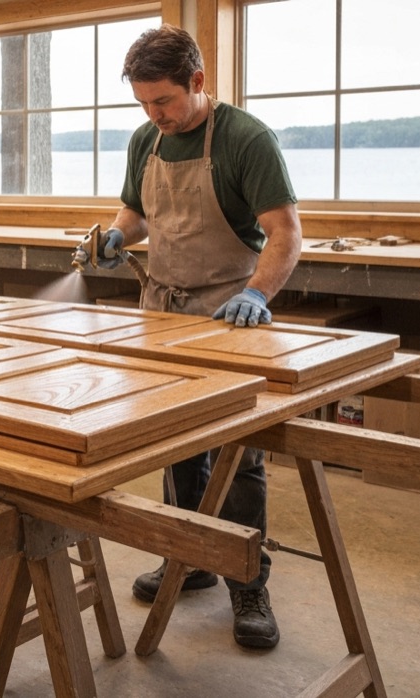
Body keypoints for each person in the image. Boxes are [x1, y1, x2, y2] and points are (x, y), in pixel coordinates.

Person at [96, 23, 303, 649]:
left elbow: (285, 232)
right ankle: (186, 558)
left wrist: (256, 295)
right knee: (175, 442)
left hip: (229, 315)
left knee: (239, 453)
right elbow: (137, 214)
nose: (154, 115)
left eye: (163, 100)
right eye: (143, 103)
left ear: (198, 81)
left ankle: (247, 579)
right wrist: (116, 235)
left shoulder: (246, 138)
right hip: (163, 311)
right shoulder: (145, 140)